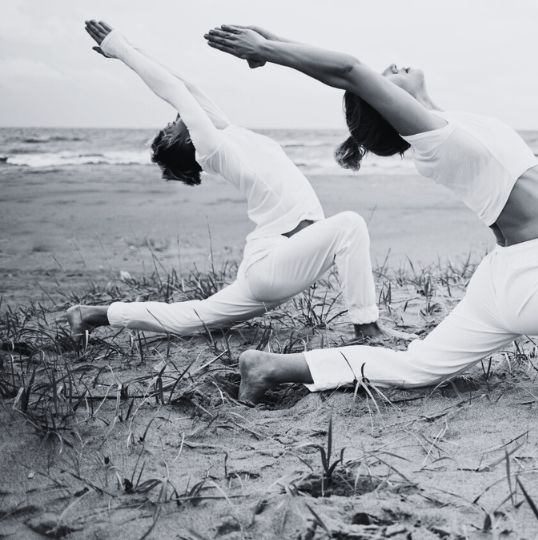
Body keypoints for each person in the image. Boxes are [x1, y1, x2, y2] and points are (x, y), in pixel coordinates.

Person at [203, 25, 538, 402]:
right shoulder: (435, 142)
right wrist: (268, 52)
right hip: (537, 283)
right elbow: (350, 72)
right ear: (386, 106)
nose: (391, 67)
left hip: (503, 281)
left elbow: (356, 77)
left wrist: (268, 42)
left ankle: (270, 368)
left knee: (416, 367)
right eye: (385, 80)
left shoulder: (445, 124)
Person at [69, 21, 410, 341]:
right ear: (184, 143)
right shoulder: (212, 149)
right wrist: (119, 50)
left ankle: (92, 314)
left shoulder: (227, 134)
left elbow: (185, 85)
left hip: (283, 258)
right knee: (349, 225)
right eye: (172, 127)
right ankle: (367, 328)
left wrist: (127, 45)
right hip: (271, 264)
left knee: (194, 318)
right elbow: (173, 92)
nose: (175, 120)